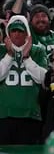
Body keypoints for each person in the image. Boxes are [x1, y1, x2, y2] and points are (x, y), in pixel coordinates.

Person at [0, 15, 48, 143]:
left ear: (27, 33)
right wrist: (9, 55)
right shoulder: (1, 50)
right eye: (13, 31)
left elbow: (44, 79)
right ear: (8, 33)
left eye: (20, 31)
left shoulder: (38, 51)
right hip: (4, 114)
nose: (16, 34)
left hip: (30, 114)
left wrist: (26, 58)